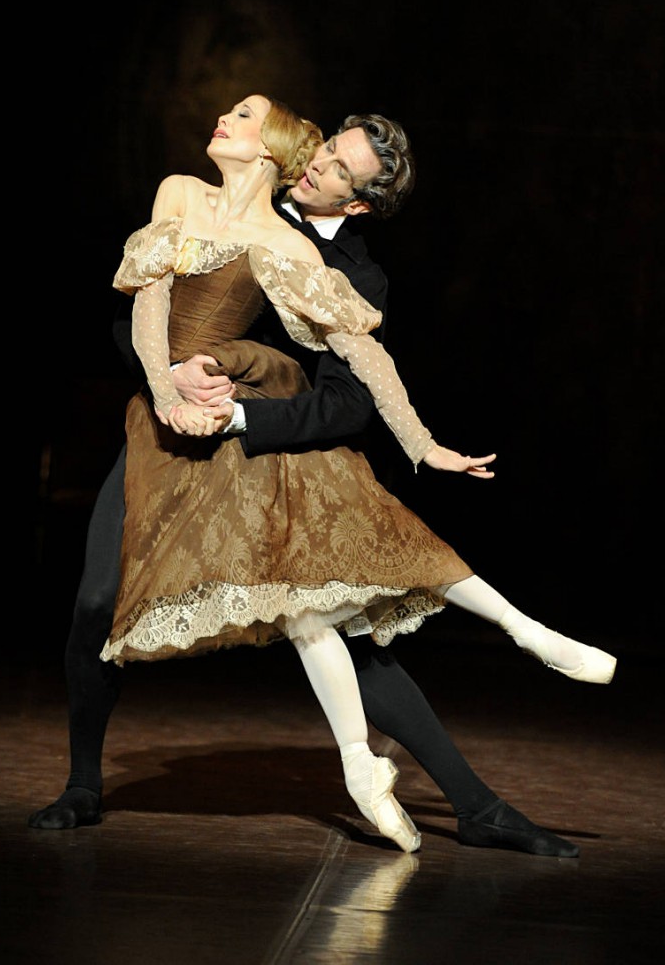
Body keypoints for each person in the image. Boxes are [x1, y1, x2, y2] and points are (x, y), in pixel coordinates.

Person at [30, 99, 612, 855]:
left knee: (351, 621)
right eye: (325, 149)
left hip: (273, 445)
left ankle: (476, 793)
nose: (318, 168)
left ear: (359, 203)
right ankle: (83, 783)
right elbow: (141, 311)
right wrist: (173, 379)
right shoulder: (196, 196)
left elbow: (348, 394)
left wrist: (416, 441)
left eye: (339, 169)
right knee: (98, 603)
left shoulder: (342, 269)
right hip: (170, 420)